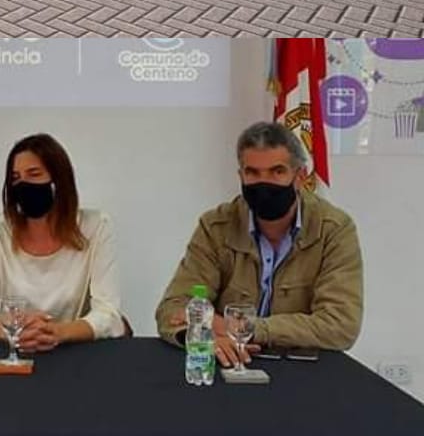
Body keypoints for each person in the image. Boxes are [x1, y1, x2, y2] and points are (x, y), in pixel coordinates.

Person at [155, 121, 363, 367]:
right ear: (241, 176)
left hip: (301, 370)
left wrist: (245, 328)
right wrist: (202, 337)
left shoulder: (333, 229)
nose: (264, 183)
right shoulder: (216, 226)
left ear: (299, 177)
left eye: (277, 171)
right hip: (228, 364)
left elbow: (340, 325)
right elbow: (174, 309)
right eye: (252, 173)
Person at [0, 134, 127, 353]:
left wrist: (58, 332)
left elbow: (109, 315)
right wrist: (13, 332)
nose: (23, 185)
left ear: (59, 180)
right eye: (16, 178)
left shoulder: (96, 228)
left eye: (34, 174)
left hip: (74, 355)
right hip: (13, 355)